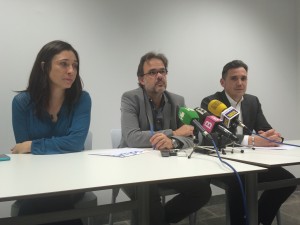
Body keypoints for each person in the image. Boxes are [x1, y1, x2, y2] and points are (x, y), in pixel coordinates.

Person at [119, 52, 211, 225]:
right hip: (133, 166)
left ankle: (160, 220)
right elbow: (132, 138)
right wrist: (174, 132)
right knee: (148, 195)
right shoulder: (130, 98)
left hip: (167, 166)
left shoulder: (177, 101)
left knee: (202, 190)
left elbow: (190, 137)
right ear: (141, 79)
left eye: (163, 71)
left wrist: (174, 141)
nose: (159, 76)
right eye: (153, 72)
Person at [200, 59, 296, 225]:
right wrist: (252, 140)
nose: (240, 83)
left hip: (250, 160)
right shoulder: (211, 103)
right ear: (223, 82)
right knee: (240, 181)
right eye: (234, 78)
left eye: (243, 78)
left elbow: (264, 128)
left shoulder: (252, 101)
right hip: (222, 162)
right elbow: (214, 138)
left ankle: (257, 219)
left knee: (287, 181)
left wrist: (272, 136)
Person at [11, 40, 91, 225]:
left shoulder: (81, 99)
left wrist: (32, 145)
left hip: (71, 177)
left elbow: (76, 143)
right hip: (35, 178)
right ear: (44, 66)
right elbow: (24, 156)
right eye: (64, 64)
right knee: (46, 197)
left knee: (45, 200)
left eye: (75, 65)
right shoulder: (22, 103)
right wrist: (29, 147)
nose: (71, 71)